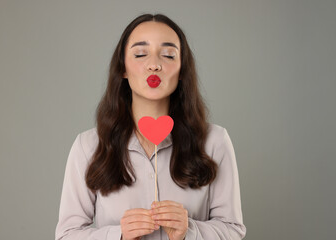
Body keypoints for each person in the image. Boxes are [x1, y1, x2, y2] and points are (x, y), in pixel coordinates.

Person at [55, 13, 246, 240]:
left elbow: (233, 229)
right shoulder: (88, 146)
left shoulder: (214, 141)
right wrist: (119, 236)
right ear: (123, 68)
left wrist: (190, 231)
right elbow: (67, 235)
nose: (154, 65)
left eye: (168, 55)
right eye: (140, 54)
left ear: (182, 70)